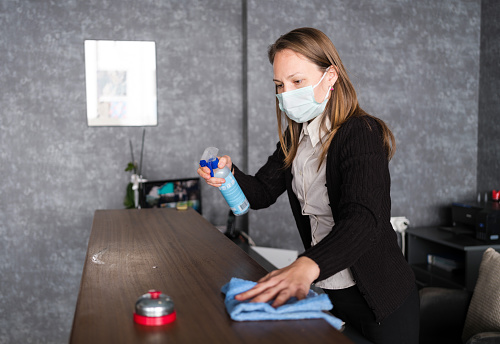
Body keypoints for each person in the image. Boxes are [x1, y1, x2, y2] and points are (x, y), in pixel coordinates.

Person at [198, 27, 419, 344]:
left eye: (297, 81)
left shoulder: (360, 134)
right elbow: (260, 192)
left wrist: (305, 265)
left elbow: (364, 219)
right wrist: (230, 174)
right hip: (330, 292)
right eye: (279, 85)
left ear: (330, 76)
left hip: (383, 300)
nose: (286, 94)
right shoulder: (294, 138)